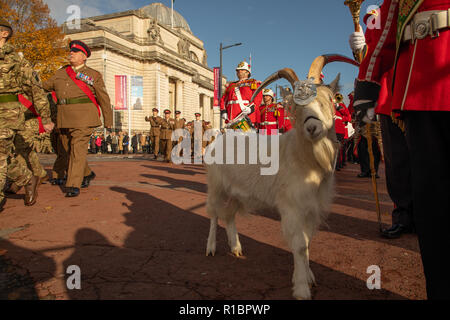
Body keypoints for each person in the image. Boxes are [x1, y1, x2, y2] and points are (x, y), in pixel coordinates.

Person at [351, 0, 450, 299]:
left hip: (416, 85)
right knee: (423, 187)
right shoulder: (377, 15)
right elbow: (385, 35)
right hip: (419, 86)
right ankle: (404, 214)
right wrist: (366, 84)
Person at [43, 40, 112, 197]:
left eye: (75, 52)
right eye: (71, 51)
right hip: (64, 117)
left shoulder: (93, 74)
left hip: (84, 117)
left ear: (83, 56)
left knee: (78, 149)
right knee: (69, 149)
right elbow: (44, 86)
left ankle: (73, 184)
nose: (71, 53)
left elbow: (103, 98)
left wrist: (108, 120)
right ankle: (87, 173)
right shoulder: (61, 72)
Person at [0, 18, 54, 209]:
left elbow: (35, 90)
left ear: (4, 33)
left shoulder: (17, 61)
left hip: (7, 112)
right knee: (5, 155)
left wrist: (46, 118)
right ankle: (26, 178)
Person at [220, 61, 262, 127]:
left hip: (245, 117)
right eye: (238, 70)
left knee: (244, 137)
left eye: (242, 70)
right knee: (231, 137)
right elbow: (223, 99)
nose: (239, 72)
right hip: (231, 119)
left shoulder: (253, 83)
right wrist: (223, 111)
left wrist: (251, 108)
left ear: (247, 72)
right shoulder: (231, 85)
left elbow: (258, 98)